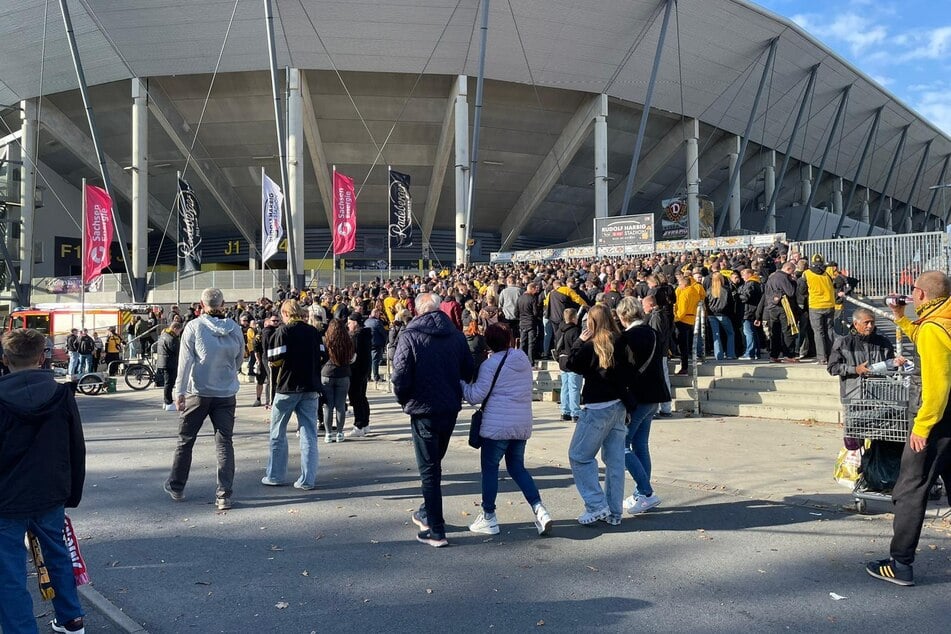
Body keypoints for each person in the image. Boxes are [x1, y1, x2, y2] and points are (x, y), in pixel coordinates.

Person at [867, 270, 951, 586]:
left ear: (920, 295)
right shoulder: (943, 320)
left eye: (913, 290)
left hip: (938, 421)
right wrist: (901, 319)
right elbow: (925, 338)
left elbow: (938, 385)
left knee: (910, 489)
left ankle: (900, 563)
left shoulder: (932, 328)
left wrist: (923, 426)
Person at [0, 328, 86, 634]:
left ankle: (20, 629)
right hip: (50, 490)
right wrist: (71, 492)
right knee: (58, 553)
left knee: (8, 569)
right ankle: (71, 617)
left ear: (5, 359)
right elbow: (76, 446)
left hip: (6, 497)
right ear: (42, 357)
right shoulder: (62, 395)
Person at [392, 292, 474, 547]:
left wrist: (404, 399)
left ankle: (436, 529)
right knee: (434, 464)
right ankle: (429, 513)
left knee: (430, 470)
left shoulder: (410, 335)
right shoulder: (456, 336)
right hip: (448, 408)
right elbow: (469, 371)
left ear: (418, 310)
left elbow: (400, 376)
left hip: (424, 409)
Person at [462, 323, 553, 537]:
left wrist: (461, 385)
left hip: (497, 424)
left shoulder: (490, 365)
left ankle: (488, 516)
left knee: (490, 469)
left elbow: (476, 396)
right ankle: (539, 509)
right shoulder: (521, 359)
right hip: (521, 423)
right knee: (517, 468)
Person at [164, 288, 245, 511]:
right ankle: (224, 494)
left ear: (201, 303)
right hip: (226, 392)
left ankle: (177, 486)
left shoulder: (194, 326)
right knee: (224, 442)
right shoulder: (234, 328)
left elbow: (185, 362)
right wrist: (228, 371)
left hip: (198, 391)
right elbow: (240, 358)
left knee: (186, 439)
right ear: (223, 303)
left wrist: (178, 392)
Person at [565, 304, 635, 526]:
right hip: (618, 405)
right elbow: (631, 372)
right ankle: (614, 512)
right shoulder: (621, 341)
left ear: (591, 323)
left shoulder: (591, 346)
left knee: (579, 455)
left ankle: (596, 504)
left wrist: (579, 341)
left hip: (597, 407)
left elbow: (569, 364)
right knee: (615, 462)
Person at [262, 300, 324, 490]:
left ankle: (275, 475)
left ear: (285, 313)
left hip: (287, 387)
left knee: (278, 433)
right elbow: (323, 354)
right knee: (309, 434)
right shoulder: (313, 331)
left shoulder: (283, 331)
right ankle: (307, 479)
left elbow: (273, 358)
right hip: (311, 387)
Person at [616, 297, 670, 515]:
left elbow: (625, 369)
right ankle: (642, 492)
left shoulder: (627, 337)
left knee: (623, 445)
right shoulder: (652, 332)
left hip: (638, 396)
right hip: (655, 393)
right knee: (640, 445)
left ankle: (646, 491)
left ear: (623, 316)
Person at [827, 308, 900, 402]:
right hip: (854, 397)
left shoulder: (883, 342)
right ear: (856, 324)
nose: (870, 326)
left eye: (872, 322)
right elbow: (832, 368)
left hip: (880, 397)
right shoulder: (843, 343)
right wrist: (855, 369)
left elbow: (892, 368)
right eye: (866, 322)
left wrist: (895, 363)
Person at [757, 260, 800, 363]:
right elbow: (791, 292)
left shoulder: (771, 277)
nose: (792, 274)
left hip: (771, 307)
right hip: (783, 307)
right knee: (787, 330)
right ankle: (789, 355)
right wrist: (793, 282)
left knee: (775, 332)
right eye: (792, 272)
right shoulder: (783, 277)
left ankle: (774, 355)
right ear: (788, 269)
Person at [321, 319, 354, 443]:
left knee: (327, 406)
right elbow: (352, 357)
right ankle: (340, 432)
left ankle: (329, 433)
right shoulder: (348, 341)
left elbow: (321, 357)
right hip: (343, 373)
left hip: (327, 373)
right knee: (340, 405)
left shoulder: (325, 340)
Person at [799, 253, 836, 364]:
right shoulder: (827, 273)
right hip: (830, 304)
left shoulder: (806, 274)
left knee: (818, 332)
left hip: (815, 305)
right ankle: (831, 355)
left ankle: (821, 357)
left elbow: (802, 290)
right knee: (829, 330)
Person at [643, 294, 674, 417]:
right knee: (662, 379)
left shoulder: (657, 317)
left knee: (660, 379)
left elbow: (656, 335)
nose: (643, 308)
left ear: (650, 305)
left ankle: (661, 408)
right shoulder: (659, 315)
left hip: (659, 353)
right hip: (661, 352)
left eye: (643, 305)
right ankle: (664, 408)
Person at [673, 272, 705, 375]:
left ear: (684, 284)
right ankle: (685, 365)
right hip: (691, 319)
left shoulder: (684, 294)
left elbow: (681, 311)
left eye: (680, 284)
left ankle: (684, 367)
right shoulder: (694, 292)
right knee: (686, 344)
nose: (679, 286)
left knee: (682, 346)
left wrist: (675, 319)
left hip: (682, 320)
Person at [553, 307, 582, 422]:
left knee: (565, 386)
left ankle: (565, 411)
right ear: (574, 318)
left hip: (562, 360)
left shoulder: (559, 330)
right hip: (573, 360)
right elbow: (577, 347)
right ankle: (575, 412)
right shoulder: (575, 331)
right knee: (574, 387)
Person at [347, 313, 373, 437]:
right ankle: (366, 423)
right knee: (362, 397)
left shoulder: (357, 336)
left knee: (356, 398)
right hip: (364, 369)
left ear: (355, 322)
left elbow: (354, 355)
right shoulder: (365, 335)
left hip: (356, 370)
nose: (348, 325)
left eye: (350, 323)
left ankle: (359, 424)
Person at [156, 322, 183, 411]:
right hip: (170, 363)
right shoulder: (171, 338)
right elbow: (177, 351)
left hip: (163, 362)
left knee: (167, 383)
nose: (179, 333)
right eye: (179, 331)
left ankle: (166, 401)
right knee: (169, 383)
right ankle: (168, 402)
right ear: (175, 329)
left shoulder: (163, 335)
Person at [737, 268, 763, 360]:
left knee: (748, 332)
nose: (742, 277)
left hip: (748, 311)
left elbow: (746, 297)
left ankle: (749, 353)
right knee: (753, 333)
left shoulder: (751, 284)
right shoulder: (757, 283)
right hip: (753, 310)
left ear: (749, 274)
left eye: (743, 275)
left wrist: (737, 295)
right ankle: (756, 353)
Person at [515, 281, 543, 366]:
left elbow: (516, 312)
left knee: (522, 343)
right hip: (531, 323)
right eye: (535, 289)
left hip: (522, 322)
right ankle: (531, 362)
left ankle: (520, 360)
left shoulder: (519, 298)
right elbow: (535, 313)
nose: (536, 291)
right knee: (531, 343)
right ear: (531, 289)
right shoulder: (533, 299)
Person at [364, 309, 387, 383]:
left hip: (368, 343)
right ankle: (376, 376)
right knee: (375, 361)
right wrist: (385, 342)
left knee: (369, 361)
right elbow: (383, 333)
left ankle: (368, 377)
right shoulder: (377, 322)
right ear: (376, 314)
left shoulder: (366, 321)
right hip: (376, 343)